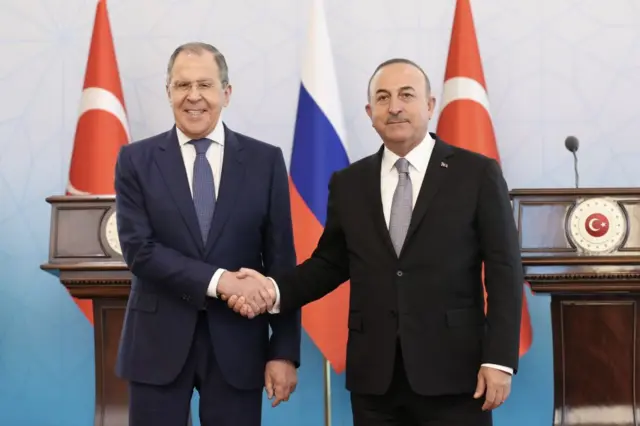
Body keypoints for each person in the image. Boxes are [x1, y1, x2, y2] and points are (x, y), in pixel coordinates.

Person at [222, 58, 523, 426]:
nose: (394, 106)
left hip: (456, 374)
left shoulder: (476, 173)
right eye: (382, 97)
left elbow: (504, 271)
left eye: (406, 95)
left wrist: (498, 360)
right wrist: (270, 290)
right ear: (370, 112)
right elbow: (329, 264)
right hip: (375, 380)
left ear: (429, 105)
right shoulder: (350, 182)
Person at [113, 42, 300, 426]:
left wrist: (283, 352)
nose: (193, 96)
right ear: (168, 92)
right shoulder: (135, 160)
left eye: (205, 85)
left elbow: (281, 262)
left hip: (239, 344)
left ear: (226, 93)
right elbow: (139, 251)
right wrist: (220, 282)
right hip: (156, 342)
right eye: (182, 85)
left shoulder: (265, 161)